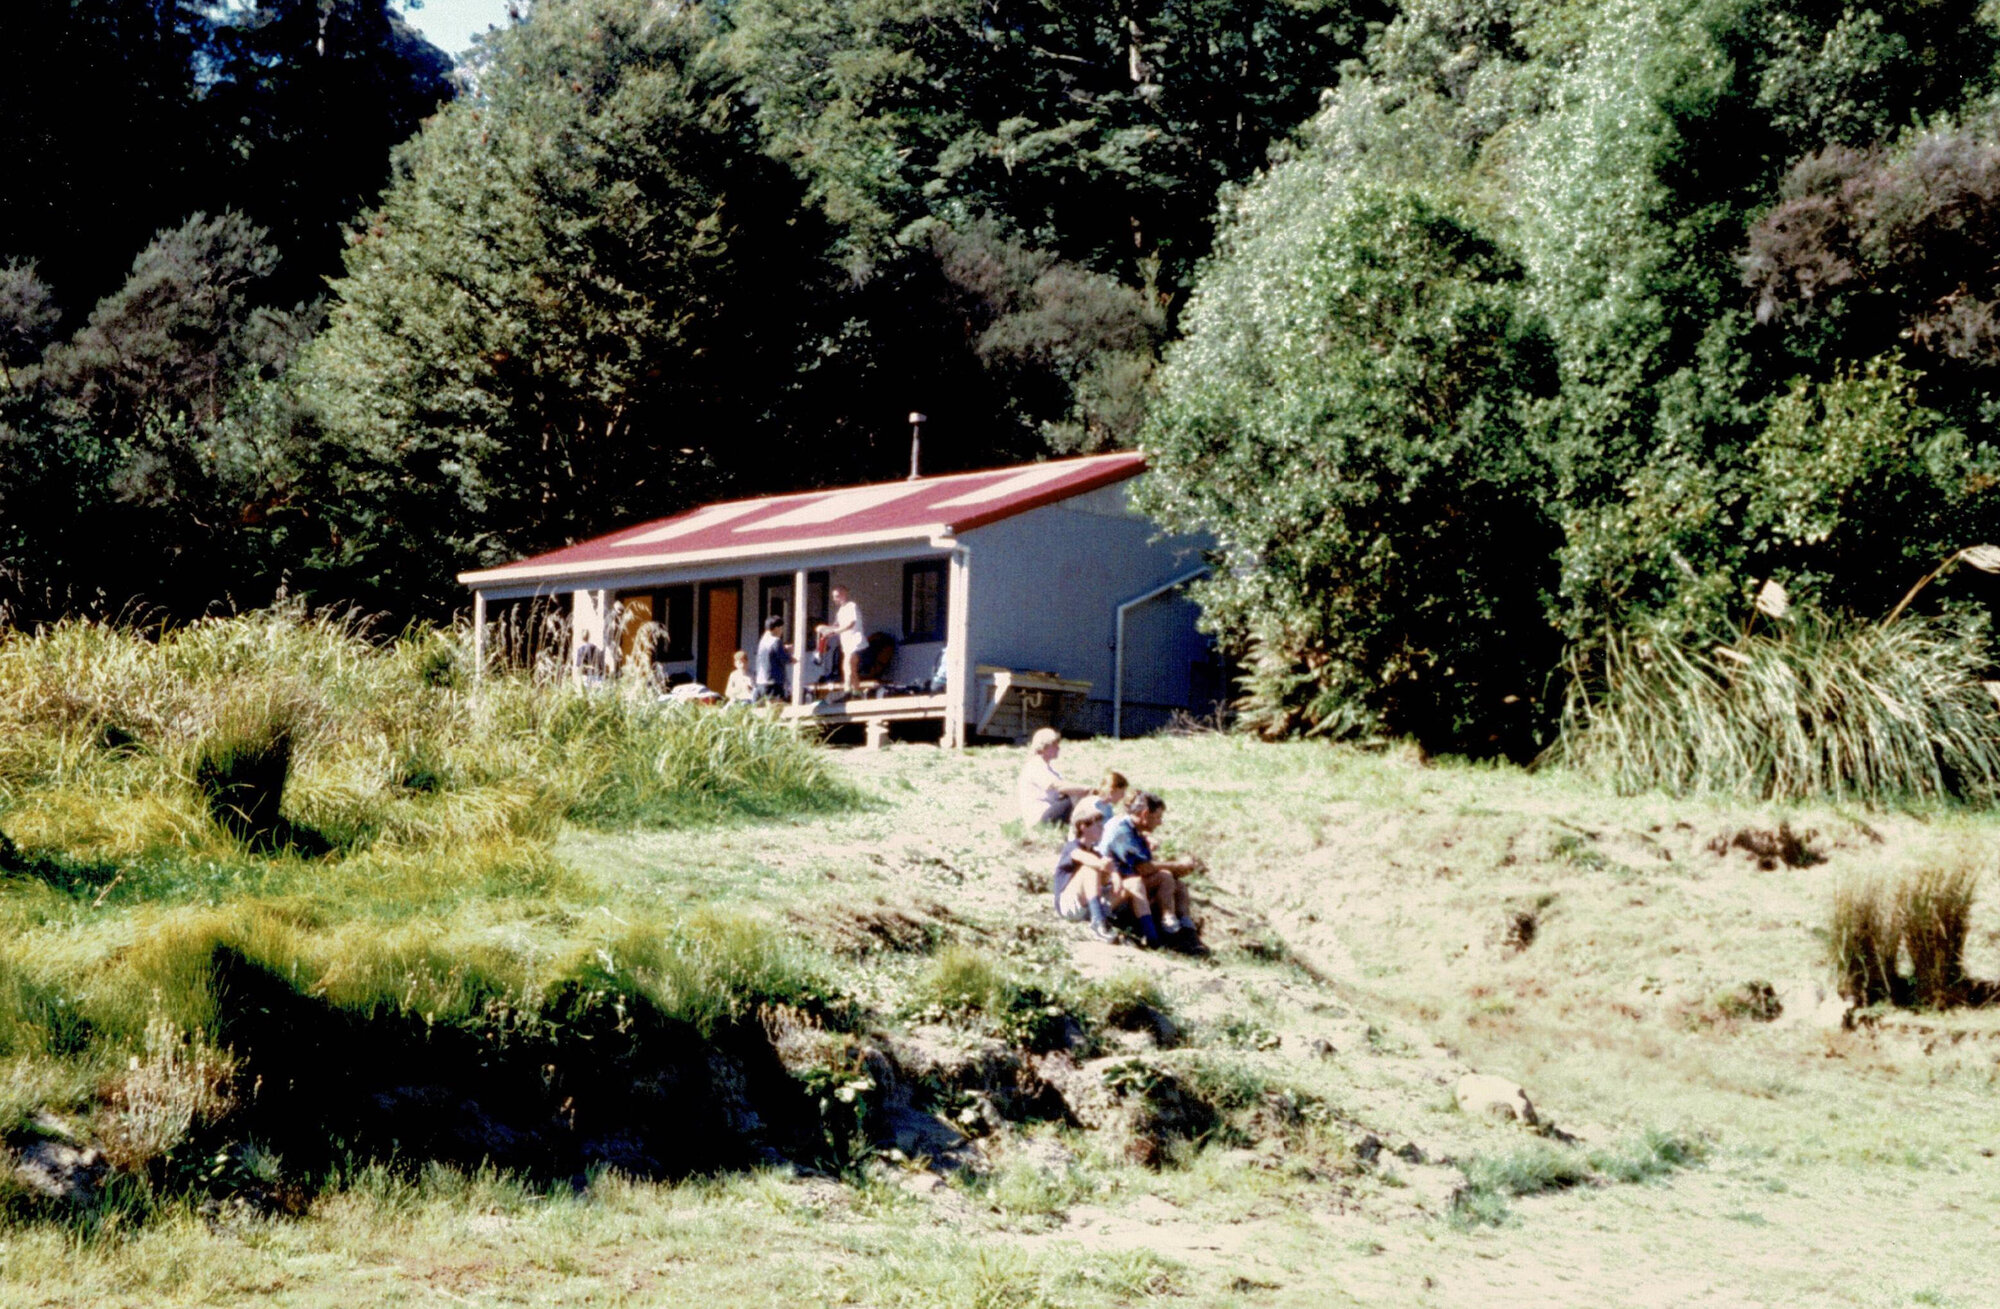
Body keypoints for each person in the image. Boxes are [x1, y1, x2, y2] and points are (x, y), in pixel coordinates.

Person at [1100, 791, 1203, 950]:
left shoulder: (1132, 828)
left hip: (1127, 885)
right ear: (1145, 814)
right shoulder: (1122, 831)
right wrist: (1179, 866)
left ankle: (1188, 934)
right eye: (1158, 817)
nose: (1160, 823)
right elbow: (1144, 868)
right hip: (1112, 893)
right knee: (1165, 877)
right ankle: (1168, 930)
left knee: (1180, 887)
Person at [1052, 806, 1132, 944]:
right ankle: (1098, 922)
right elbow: (1083, 857)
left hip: (1087, 906)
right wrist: (1106, 867)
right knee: (1090, 869)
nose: (1102, 829)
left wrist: (1113, 874)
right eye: (1098, 825)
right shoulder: (1072, 846)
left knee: (1130, 885)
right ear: (1083, 827)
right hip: (1069, 905)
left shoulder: (1096, 853)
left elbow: (1107, 869)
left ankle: (1117, 921)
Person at [1016, 727, 1094, 826]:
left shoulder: (1048, 768)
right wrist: (1085, 788)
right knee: (1071, 798)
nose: (1058, 747)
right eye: (1055, 744)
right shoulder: (1035, 765)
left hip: (1048, 813)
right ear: (1044, 747)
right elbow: (1059, 786)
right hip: (1039, 818)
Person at [816, 584, 866, 694]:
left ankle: (847, 690)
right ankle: (857, 692)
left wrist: (835, 631)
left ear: (844, 594)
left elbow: (851, 624)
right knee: (850, 669)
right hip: (847, 644)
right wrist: (824, 629)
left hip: (856, 642)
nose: (834, 599)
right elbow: (836, 626)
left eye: (836, 596)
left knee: (848, 663)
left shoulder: (851, 606)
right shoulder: (840, 611)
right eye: (833, 596)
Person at [753, 615, 792, 702]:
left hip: (761, 682)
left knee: (766, 709)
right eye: (781, 628)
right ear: (776, 628)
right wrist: (793, 658)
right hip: (773, 682)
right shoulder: (776, 641)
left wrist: (784, 648)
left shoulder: (762, 641)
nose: (781, 632)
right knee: (776, 708)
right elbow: (784, 658)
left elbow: (771, 653)